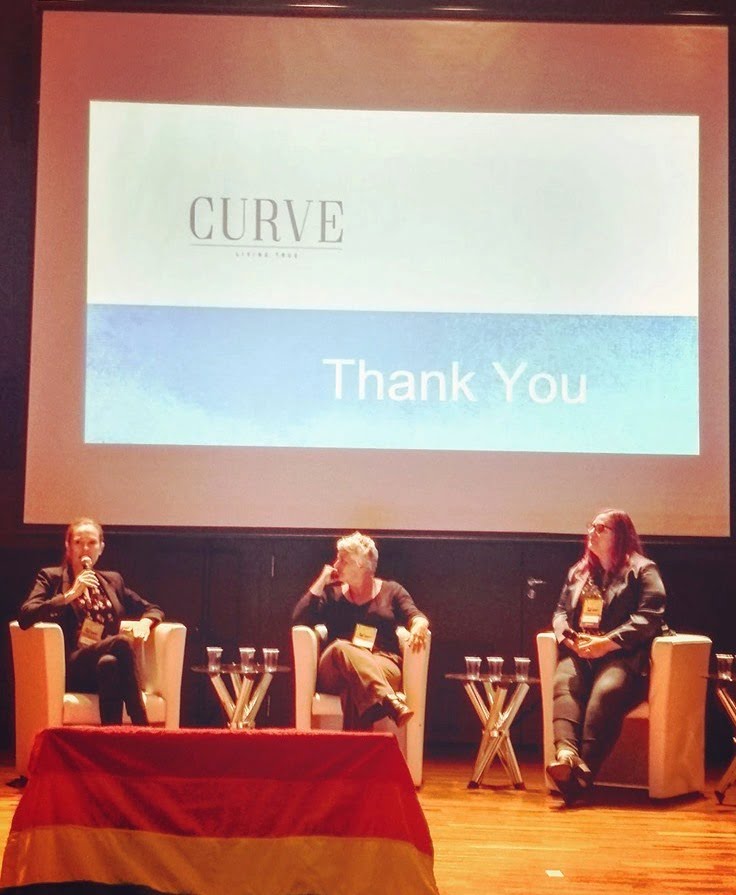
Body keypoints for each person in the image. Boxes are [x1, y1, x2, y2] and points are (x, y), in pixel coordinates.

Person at [547, 509, 667, 805]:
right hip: (582, 653)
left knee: (606, 691)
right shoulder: (579, 572)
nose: (592, 533)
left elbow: (649, 617)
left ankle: (579, 776)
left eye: (601, 528)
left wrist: (606, 643)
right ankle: (566, 755)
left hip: (623, 658)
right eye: (592, 527)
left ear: (621, 534)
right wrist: (569, 639)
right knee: (564, 682)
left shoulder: (642, 570)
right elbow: (560, 613)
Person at [19, 517, 164, 725]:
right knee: (122, 642)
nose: (85, 549)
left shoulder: (112, 581)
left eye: (92, 543)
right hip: (72, 666)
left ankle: (110, 737)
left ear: (101, 548)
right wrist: (69, 595)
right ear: (68, 546)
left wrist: (145, 623)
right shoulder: (52, 578)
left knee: (109, 663)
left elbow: (153, 608)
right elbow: (26, 615)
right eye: (78, 542)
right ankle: (141, 722)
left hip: (102, 667)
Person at [292, 531, 429, 730]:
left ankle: (356, 749)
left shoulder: (392, 590)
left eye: (343, 560)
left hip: (382, 661)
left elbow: (415, 615)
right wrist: (321, 581)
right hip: (336, 665)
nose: (336, 565)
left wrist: (420, 625)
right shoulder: (332, 594)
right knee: (341, 647)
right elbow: (299, 619)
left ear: (361, 565)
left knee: (355, 685)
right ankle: (388, 699)